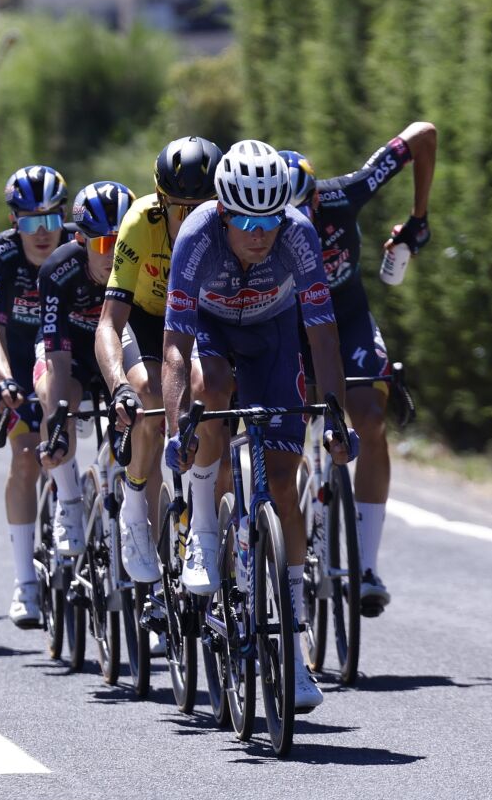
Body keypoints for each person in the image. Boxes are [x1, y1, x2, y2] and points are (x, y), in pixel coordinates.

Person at [161, 140, 358, 715]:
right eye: (245, 220)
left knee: (282, 485)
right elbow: (175, 346)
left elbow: (322, 334)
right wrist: (179, 430)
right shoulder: (196, 237)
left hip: (274, 342)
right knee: (210, 389)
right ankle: (201, 526)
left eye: (268, 219)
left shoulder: (298, 234)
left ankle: (292, 653)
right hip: (216, 340)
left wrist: (336, 418)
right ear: (223, 211)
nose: (258, 233)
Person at [285, 122, 436, 613]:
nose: (297, 222)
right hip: (287, 328)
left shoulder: (343, 195)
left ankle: (366, 567)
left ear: (316, 196)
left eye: (304, 207)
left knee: (370, 417)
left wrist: (417, 221)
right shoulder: (253, 229)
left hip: (346, 320)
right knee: (276, 439)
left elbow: (423, 135)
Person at [97, 135, 223, 587]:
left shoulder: (230, 225)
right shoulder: (139, 222)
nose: (189, 220)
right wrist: (119, 387)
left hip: (206, 323)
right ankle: (134, 508)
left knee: (216, 409)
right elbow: (109, 323)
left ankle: (217, 538)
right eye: (178, 209)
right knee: (149, 398)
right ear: (160, 201)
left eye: (201, 207)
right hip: (150, 324)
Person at [0, 164, 67, 627]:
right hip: (14, 359)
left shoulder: (77, 245)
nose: (43, 232)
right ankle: (24, 583)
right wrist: (4, 376)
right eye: (31, 221)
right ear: (15, 221)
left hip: (63, 356)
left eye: (52, 220)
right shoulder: (0, 254)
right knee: (28, 456)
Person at [36, 180, 133, 559]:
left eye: (123, 244)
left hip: (118, 351)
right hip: (70, 351)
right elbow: (56, 356)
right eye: (105, 245)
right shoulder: (57, 270)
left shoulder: (142, 265)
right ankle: (69, 502)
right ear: (82, 241)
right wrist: (59, 417)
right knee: (55, 397)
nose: (116, 255)